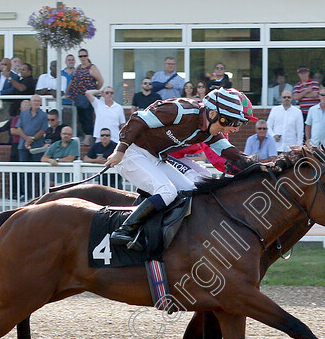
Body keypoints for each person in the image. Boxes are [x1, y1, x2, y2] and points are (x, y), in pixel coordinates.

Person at [105, 87, 255, 250]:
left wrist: (258, 165)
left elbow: (230, 152)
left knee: (191, 191)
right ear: (212, 114)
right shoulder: (180, 110)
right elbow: (138, 119)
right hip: (130, 152)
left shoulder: (210, 131)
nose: (233, 129)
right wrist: (120, 151)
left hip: (154, 157)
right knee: (167, 191)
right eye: (231, 122)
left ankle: (167, 234)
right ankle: (125, 230)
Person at [67, 49, 104, 146]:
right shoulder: (78, 68)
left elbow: (100, 80)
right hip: (79, 97)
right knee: (81, 117)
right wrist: (68, 92)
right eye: (80, 56)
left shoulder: (92, 68)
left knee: (88, 117)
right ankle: (85, 135)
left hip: (88, 98)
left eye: (84, 56)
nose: (83, 58)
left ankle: (88, 137)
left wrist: (94, 91)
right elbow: (73, 81)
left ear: (87, 56)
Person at [12, 95, 48, 162]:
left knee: (37, 169)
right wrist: (26, 138)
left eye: (38, 101)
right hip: (23, 145)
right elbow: (19, 128)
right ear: (30, 102)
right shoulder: (23, 113)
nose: (36, 103)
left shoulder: (44, 115)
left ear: (40, 103)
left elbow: (42, 131)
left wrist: (31, 139)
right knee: (24, 169)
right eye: (35, 100)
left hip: (37, 146)